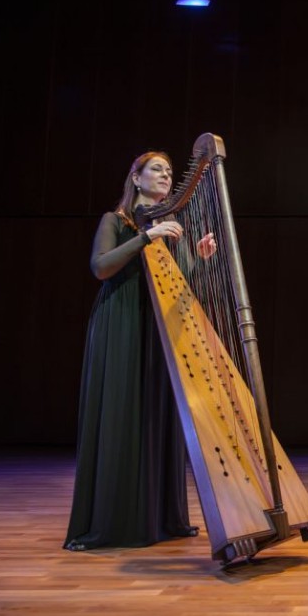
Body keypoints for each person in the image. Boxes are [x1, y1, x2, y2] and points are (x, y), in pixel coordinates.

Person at [65, 151, 216, 551]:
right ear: (135, 178)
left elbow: (178, 285)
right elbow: (101, 267)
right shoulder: (116, 221)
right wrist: (145, 236)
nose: (166, 174)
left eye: (169, 170)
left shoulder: (173, 227)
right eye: (157, 169)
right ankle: (111, 524)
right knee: (122, 415)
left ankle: (163, 518)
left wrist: (198, 260)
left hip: (159, 330)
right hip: (122, 325)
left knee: (158, 417)